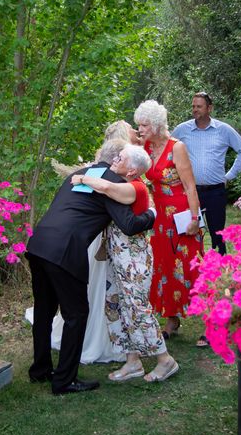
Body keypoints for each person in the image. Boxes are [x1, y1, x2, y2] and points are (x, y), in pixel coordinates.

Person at [26, 140, 156, 395]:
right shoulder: (115, 185)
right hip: (64, 251)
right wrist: (152, 214)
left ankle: (40, 370)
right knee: (76, 314)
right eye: (119, 157)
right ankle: (64, 380)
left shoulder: (79, 174)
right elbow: (129, 225)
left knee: (44, 311)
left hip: (39, 243)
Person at [73, 143, 179, 382]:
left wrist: (82, 177)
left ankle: (165, 360)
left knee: (139, 308)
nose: (115, 159)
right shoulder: (126, 184)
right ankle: (133, 362)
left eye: (121, 158)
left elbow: (106, 187)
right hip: (118, 257)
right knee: (119, 306)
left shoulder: (136, 188)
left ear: (132, 170)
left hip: (134, 260)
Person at [136, 100, 204, 345]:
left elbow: (190, 186)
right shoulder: (145, 148)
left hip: (182, 214)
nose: (140, 129)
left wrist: (196, 219)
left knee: (190, 266)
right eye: (139, 125)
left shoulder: (177, 147)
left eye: (144, 125)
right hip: (160, 216)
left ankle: (209, 323)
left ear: (155, 125)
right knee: (165, 266)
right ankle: (172, 320)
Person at [172, 92, 241, 255]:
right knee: (188, 232)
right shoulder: (182, 129)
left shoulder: (223, 129)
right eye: (193, 106)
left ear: (210, 108)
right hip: (189, 191)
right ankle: (192, 268)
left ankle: (220, 269)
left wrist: (229, 176)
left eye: (199, 106)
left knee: (218, 235)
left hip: (215, 191)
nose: (195, 110)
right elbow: (168, 151)